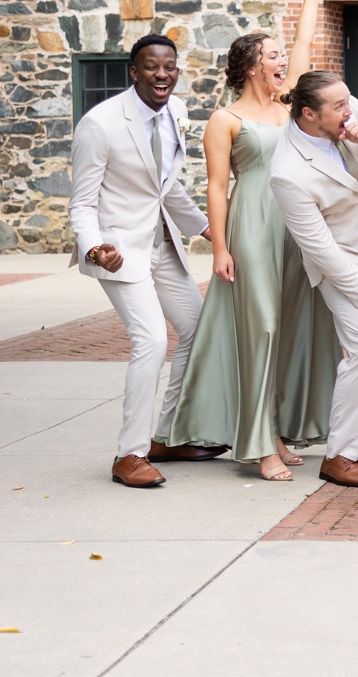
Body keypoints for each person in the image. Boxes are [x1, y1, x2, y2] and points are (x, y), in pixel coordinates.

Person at [166, 0, 338, 481]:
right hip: (253, 225)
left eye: (283, 55)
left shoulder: (290, 104)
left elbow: (306, 41)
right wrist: (219, 247)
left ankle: (279, 429)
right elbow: (217, 188)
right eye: (273, 56)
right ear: (251, 66)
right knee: (261, 328)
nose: (283, 60)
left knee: (290, 328)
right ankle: (258, 443)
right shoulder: (225, 119)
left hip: (298, 223)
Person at [70, 34, 221, 487]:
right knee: (152, 341)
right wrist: (95, 248)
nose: (162, 74)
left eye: (170, 66)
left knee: (199, 328)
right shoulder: (100, 124)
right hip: (118, 252)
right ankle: (129, 455)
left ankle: (166, 437)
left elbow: (167, 187)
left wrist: (210, 231)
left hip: (162, 244)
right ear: (133, 71)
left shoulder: (175, 112)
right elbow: (81, 203)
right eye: (152, 67)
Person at [269, 71, 358, 488]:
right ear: (309, 114)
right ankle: (339, 456)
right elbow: (319, 248)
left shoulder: (342, 108)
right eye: (340, 108)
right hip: (346, 268)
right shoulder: (288, 171)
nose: (350, 111)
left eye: (350, 103)